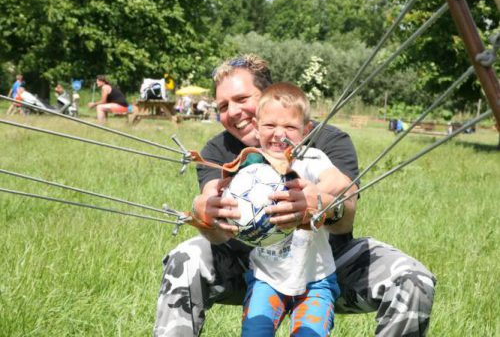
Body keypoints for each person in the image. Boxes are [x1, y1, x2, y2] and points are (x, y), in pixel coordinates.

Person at [154, 54, 436, 337]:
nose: (234, 112)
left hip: (325, 266)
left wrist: (320, 205)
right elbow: (215, 226)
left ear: (269, 95)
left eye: (242, 99)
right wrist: (204, 212)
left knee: (414, 279)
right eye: (223, 106)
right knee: (186, 257)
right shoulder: (218, 150)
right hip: (250, 267)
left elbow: (345, 217)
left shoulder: (326, 141)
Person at [229, 82, 343, 336]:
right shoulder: (250, 167)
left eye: (290, 127)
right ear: (257, 128)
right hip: (266, 278)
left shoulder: (310, 158)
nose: (279, 133)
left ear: (306, 131)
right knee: (255, 331)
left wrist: (318, 196)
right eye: (270, 125)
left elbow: (339, 182)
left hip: (316, 280)